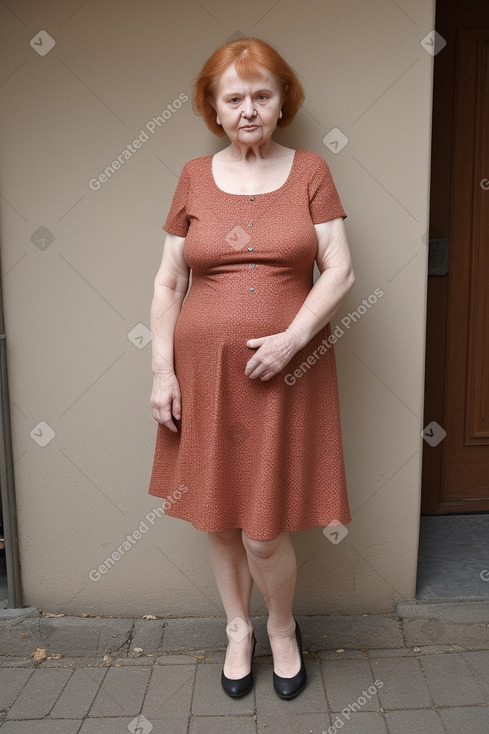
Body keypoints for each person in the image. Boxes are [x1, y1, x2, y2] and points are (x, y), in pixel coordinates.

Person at [148, 37, 355, 700]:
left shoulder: (311, 172)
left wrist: (291, 340)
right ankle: (238, 630)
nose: (247, 109)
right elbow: (165, 283)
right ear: (213, 107)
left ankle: (283, 627)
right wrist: (162, 371)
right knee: (218, 514)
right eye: (233, 97)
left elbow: (340, 270)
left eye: (260, 95)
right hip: (202, 372)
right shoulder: (192, 176)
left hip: (284, 374)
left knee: (263, 528)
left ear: (280, 101)